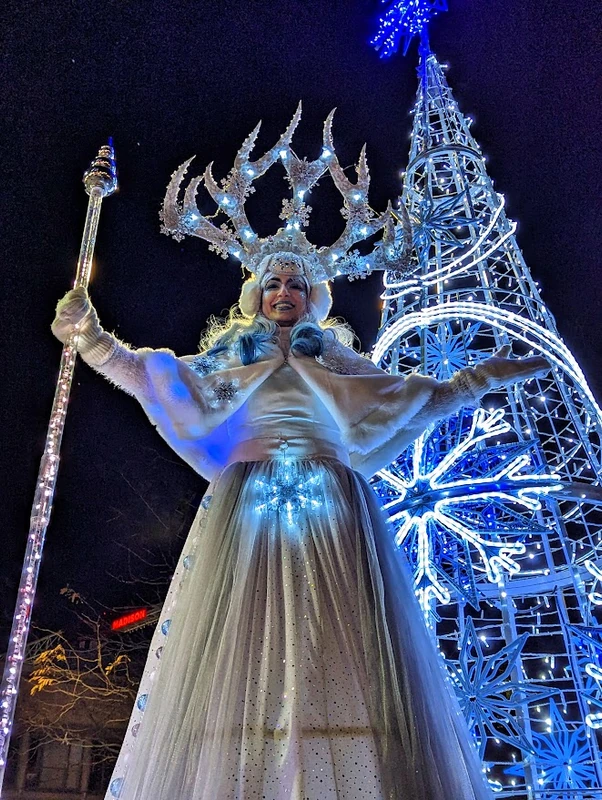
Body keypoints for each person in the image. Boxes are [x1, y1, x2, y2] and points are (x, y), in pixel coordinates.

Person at [52, 112, 549, 800]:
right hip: (248, 501)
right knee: (242, 652)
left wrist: (478, 381)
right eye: (272, 284)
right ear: (256, 296)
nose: (283, 293)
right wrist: (92, 338)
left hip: (332, 502)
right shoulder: (230, 357)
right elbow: (152, 377)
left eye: (294, 285)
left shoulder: (334, 357)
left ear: (312, 297)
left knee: (345, 655)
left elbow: (407, 397)